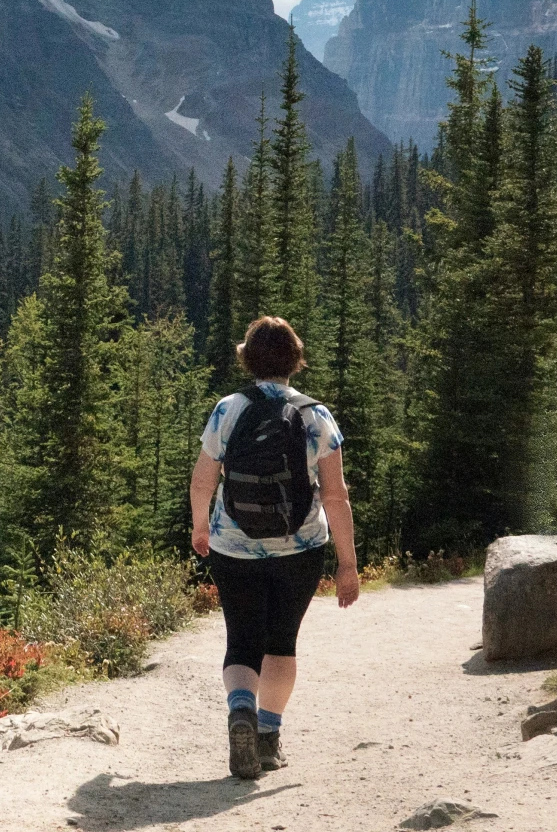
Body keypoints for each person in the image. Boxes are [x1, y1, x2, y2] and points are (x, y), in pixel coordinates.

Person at [188, 315, 360, 780]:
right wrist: (348, 563)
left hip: (233, 545)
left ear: (247, 359)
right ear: (295, 360)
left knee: (242, 638)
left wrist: (201, 527)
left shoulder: (228, 409)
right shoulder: (315, 416)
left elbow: (203, 479)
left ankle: (240, 711)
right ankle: (268, 738)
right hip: (300, 548)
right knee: (281, 642)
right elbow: (336, 495)